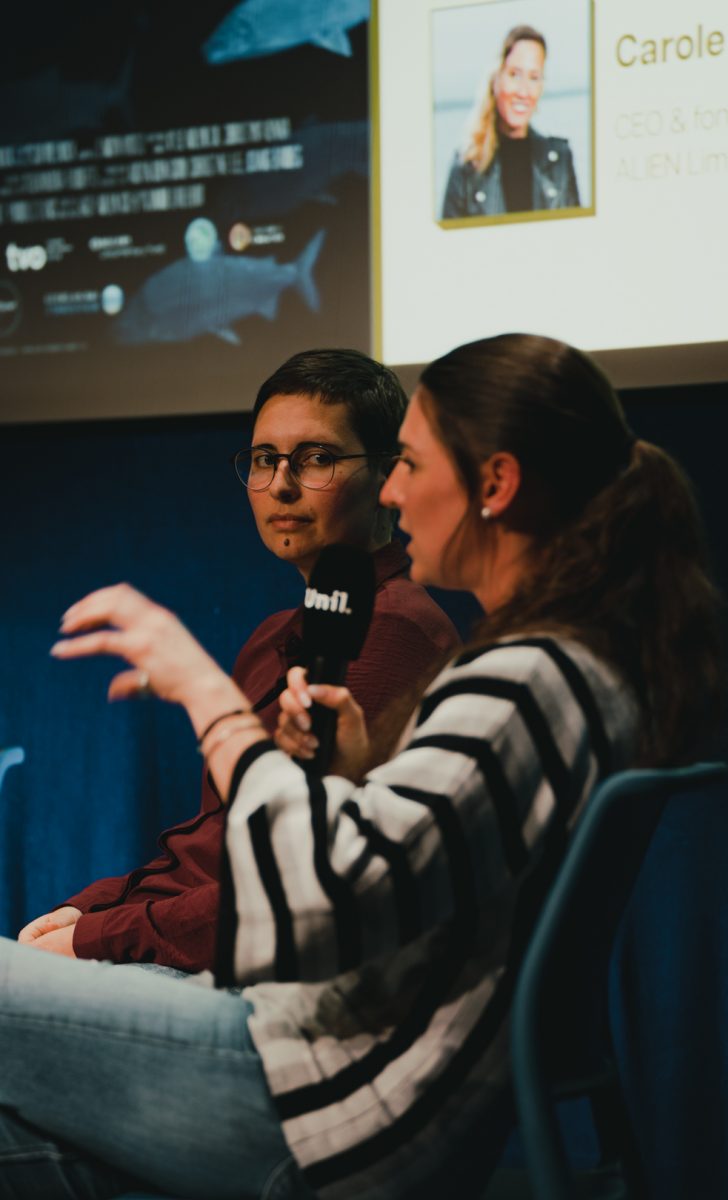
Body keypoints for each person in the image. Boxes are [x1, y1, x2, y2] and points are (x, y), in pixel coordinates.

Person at [0, 333, 722, 1199]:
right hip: (324, 1067)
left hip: (333, 1102)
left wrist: (206, 696)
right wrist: (346, 778)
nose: (393, 491)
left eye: (409, 463)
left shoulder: (527, 678)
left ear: (495, 484)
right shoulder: (558, 668)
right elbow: (394, 872)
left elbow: (322, 907)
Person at [16, 348, 459, 971]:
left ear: (387, 476)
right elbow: (211, 851)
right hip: (187, 947)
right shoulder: (272, 635)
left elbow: (298, 890)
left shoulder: (393, 632)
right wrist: (95, 906)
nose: (281, 484)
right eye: (264, 459)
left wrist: (100, 935)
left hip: (262, 981)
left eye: (317, 458)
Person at [442, 25, 580, 219]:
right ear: (496, 79)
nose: (523, 92)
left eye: (534, 77)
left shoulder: (560, 160)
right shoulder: (466, 167)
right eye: (514, 74)